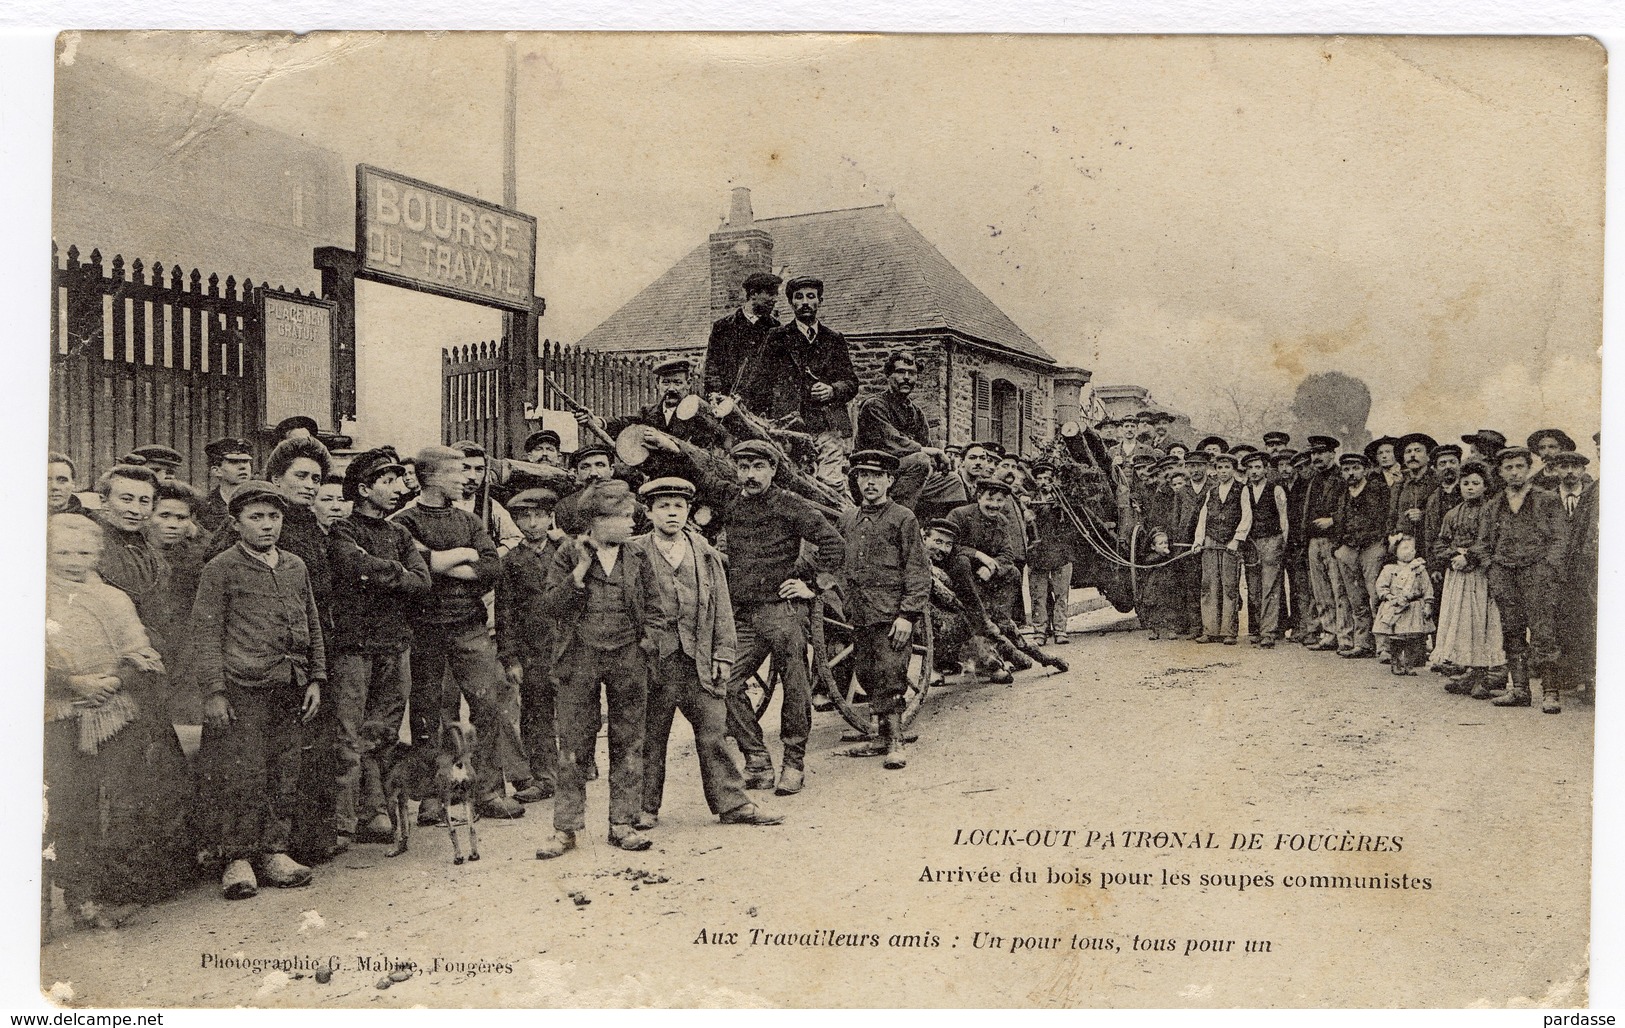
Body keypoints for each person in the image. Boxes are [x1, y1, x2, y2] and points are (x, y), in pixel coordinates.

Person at [44, 514, 196, 930]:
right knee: (66, 808)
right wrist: (71, 682)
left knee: (113, 804)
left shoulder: (113, 598)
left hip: (114, 711)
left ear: (97, 554)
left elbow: (141, 651)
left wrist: (113, 680)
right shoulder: (31, 594)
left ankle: (91, 897)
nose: (74, 560)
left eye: (83, 551)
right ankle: (49, 902)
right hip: (56, 713)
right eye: (62, 551)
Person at [191, 482, 326, 899]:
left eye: (274, 517)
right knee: (243, 773)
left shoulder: (294, 566)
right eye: (257, 517)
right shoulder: (221, 568)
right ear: (235, 523)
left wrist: (316, 678)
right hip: (243, 688)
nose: (268, 526)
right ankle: (238, 859)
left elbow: (313, 623)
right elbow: (205, 632)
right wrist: (214, 691)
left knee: (284, 770)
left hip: (291, 685)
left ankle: (275, 851)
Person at [629, 477, 783, 827]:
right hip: (655, 663)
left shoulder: (704, 552)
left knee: (714, 734)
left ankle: (733, 804)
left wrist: (724, 656)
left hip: (699, 661)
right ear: (649, 512)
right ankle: (644, 808)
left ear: (688, 511)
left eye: (678, 506)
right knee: (650, 737)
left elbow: (722, 610)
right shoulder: (634, 552)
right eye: (663, 506)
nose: (672, 513)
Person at [392, 446, 527, 823]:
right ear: (432, 478)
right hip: (425, 633)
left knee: (487, 708)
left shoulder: (469, 522)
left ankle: (489, 793)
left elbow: (492, 569)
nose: (468, 478)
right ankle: (434, 799)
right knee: (430, 714)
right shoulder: (404, 522)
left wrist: (441, 563)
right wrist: (462, 556)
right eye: (458, 472)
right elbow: (414, 570)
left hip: (470, 628)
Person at [535, 479, 668, 857]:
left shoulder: (638, 557)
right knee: (574, 745)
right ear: (597, 519)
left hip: (628, 658)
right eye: (624, 517)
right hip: (579, 658)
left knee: (629, 740)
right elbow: (551, 607)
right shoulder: (566, 553)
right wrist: (578, 572)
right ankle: (566, 829)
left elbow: (657, 611)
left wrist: (647, 644)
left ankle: (622, 824)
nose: (632, 524)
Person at [721, 440, 845, 795]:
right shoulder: (731, 501)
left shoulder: (790, 504)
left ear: (773, 469)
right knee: (725, 683)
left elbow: (833, 542)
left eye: (758, 467)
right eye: (743, 467)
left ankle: (794, 762)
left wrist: (812, 585)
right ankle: (757, 760)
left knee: (795, 684)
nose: (750, 475)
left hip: (781, 609)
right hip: (744, 613)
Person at [325, 449, 431, 851]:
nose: (397, 489)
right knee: (348, 735)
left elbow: (422, 583)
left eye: (398, 480)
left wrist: (380, 572)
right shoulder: (342, 531)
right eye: (386, 482)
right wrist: (396, 573)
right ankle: (341, 825)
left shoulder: (400, 534)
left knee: (383, 733)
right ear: (364, 488)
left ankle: (375, 811)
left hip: (394, 645)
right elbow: (353, 567)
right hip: (354, 647)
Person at [836, 452, 932, 768]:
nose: (870, 483)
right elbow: (836, 563)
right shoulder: (848, 519)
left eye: (877, 477)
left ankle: (895, 741)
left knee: (891, 673)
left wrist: (908, 615)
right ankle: (879, 738)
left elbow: (917, 570)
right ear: (857, 481)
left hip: (892, 615)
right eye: (864, 476)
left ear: (890, 481)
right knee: (865, 672)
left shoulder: (903, 518)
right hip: (860, 614)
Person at [737, 275, 859, 490]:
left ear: (819, 301)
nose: (804, 302)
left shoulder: (834, 339)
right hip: (789, 428)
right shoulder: (777, 337)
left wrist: (833, 390)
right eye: (798, 297)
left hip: (827, 427)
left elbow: (851, 382)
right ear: (791, 303)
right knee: (792, 485)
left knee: (831, 485)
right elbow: (758, 383)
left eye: (810, 297)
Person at [1484, 446, 1566, 712]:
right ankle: (1519, 690)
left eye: (1519, 466)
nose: (1514, 472)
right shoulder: (1493, 505)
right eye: (1508, 468)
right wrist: (1493, 570)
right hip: (1505, 574)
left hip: (1537, 574)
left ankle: (1550, 693)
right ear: (1500, 472)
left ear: (1528, 468)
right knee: (1512, 630)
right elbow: (1483, 544)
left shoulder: (1547, 499)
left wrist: (1548, 568)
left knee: (1543, 631)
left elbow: (1560, 538)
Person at [496, 487, 565, 804]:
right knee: (536, 715)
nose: (533, 523)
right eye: (525, 517)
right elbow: (505, 613)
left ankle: (573, 771)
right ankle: (543, 777)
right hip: (532, 651)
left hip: (568, 646)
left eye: (539, 516)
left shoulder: (567, 552)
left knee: (573, 712)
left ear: (550, 518)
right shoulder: (511, 562)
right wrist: (510, 658)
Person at [1428, 461, 1505, 698]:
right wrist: (1453, 555)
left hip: (1480, 574)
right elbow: (1439, 542)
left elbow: (1490, 541)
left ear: (1485, 486)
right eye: (1465, 483)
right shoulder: (1452, 513)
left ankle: (1484, 674)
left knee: (1480, 621)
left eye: (1475, 483)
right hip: (1458, 576)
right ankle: (1471, 671)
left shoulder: (1491, 511)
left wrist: (1469, 558)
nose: (1470, 488)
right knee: (1462, 622)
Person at [853, 350, 954, 511]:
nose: (906, 377)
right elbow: (892, 442)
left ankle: (934, 528)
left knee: (951, 480)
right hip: (872, 473)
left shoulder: (916, 412)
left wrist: (937, 462)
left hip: (905, 476)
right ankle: (893, 516)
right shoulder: (874, 406)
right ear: (888, 375)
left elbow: (925, 446)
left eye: (912, 373)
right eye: (900, 372)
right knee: (921, 460)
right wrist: (933, 452)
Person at [147, 480, 209, 723]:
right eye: (164, 515)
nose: (172, 524)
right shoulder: (137, 553)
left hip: (184, 654)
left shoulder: (199, 557)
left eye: (181, 518)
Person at [92, 464, 169, 632]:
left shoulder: (156, 557)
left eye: (144, 501)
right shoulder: (88, 548)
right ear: (104, 501)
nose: (135, 510)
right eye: (126, 499)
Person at [1548, 450, 1598, 700]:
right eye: (1564, 466)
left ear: (1582, 471)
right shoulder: (1548, 498)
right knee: (1558, 622)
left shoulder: (1591, 497)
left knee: (1583, 623)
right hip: (1555, 570)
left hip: (1582, 570)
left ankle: (1586, 678)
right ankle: (1566, 675)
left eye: (1574, 467)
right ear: (1555, 469)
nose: (1569, 471)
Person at [1330, 451, 1390, 659]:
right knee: (1356, 599)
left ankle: (1384, 646)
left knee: (1376, 596)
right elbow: (1339, 520)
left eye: (1356, 468)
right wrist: (1338, 548)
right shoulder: (1343, 494)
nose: (1351, 473)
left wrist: (1381, 543)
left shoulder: (1377, 490)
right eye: (1346, 470)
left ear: (1364, 470)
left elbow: (1385, 518)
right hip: (1348, 549)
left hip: (1371, 547)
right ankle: (1363, 643)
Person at [1191, 452, 1252, 645]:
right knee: (1208, 586)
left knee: (1229, 587)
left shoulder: (1242, 490)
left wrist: (1237, 539)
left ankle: (1228, 631)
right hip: (1210, 542)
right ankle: (1209, 630)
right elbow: (1203, 518)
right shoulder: (1212, 492)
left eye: (1227, 468)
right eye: (1220, 468)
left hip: (1230, 544)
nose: (1223, 471)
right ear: (1215, 471)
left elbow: (1246, 516)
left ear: (1233, 470)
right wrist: (1198, 540)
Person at [703, 271, 782, 397]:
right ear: (753, 294)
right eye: (770, 294)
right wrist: (715, 394)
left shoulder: (776, 329)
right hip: (729, 403)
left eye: (776, 294)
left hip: (763, 406)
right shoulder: (723, 327)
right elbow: (712, 367)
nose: (775, 299)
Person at [1240, 451, 1289, 647]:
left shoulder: (1275, 489)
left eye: (1257, 467)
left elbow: (1283, 518)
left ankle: (1269, 631)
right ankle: (1258, 628)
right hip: (1252, 543)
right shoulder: (1246, 490)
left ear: (1266, 469)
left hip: (1271, 541)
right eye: (1250, 468)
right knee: (1253, 588)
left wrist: (1282, 543)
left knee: (1270, 587)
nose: (1254, 471)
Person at [1026, 461, 1076, 645]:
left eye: (1048, 478)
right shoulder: (1028, 500)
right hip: (1038, 554)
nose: (1044, 482)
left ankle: (1061, 630)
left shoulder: (1063, 499)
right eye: (1039, 478)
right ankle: (1039, 631)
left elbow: (1073, 524)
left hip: (1061, 553)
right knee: (1038, 594)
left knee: (1061, 594)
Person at [1373, 535, 1435, 676]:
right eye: (1405, 548)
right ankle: (1396, 662)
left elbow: (1427, 588)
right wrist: (1389, 597)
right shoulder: (1389, 569)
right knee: (1397, 638)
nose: (1409, 551)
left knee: (1412, 639)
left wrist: (1428, 604)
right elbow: (1381, 586)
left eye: (1412, 549)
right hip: (1396, 607)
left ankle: (1409, 664)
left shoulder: (1419, 569)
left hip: (1413, 608)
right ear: (1395, 551)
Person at [197, 437, 254, 532]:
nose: (243, 467)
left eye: (245, 461)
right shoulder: (204, 506)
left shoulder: (261, 500)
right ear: (217, 471)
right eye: (234, 462)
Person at [1138, 527, 1182, 640]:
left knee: (1170, 606)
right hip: (1153, 586)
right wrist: (1163, 555)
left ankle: (1171, 629)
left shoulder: (1170, 556)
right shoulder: (1151, 557)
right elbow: (1150, 561)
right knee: (1152, 608)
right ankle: (1154, 630)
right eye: (1160, 543)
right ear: (1153, 547)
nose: (1164, 545)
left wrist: (1168, 554)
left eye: (1166, 543)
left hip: (1167, 585)